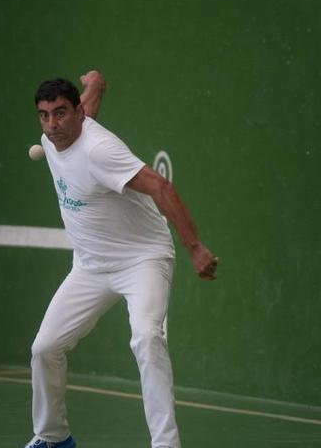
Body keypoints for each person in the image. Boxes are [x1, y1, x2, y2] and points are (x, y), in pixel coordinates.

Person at [24, 71, 218, 448]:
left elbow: (161, 186)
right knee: (44, 348)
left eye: (60, 113)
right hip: (90, 266)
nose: (52, 124)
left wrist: (195, 247)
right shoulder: (55, 137)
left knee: (147, 338)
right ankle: (53, 438)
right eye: (44, 115)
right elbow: (88, 108)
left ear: (76, 113)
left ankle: (166, 444)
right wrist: (96, 85)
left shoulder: (101, 151)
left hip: (141, 260)